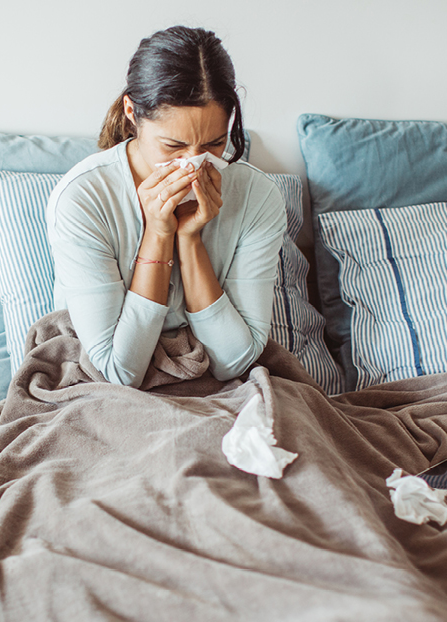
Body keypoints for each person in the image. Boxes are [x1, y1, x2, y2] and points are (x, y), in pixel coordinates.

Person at [46, 25, 287, 388]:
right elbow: (119, 372)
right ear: (131, 111)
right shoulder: (84, 198)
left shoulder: (257, 196)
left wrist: (190, 241)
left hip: (219, 387)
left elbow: (234, 362)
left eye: (214, 144)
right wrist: (159, 234)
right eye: (174, 146)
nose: (194, 163)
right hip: (104, 390)